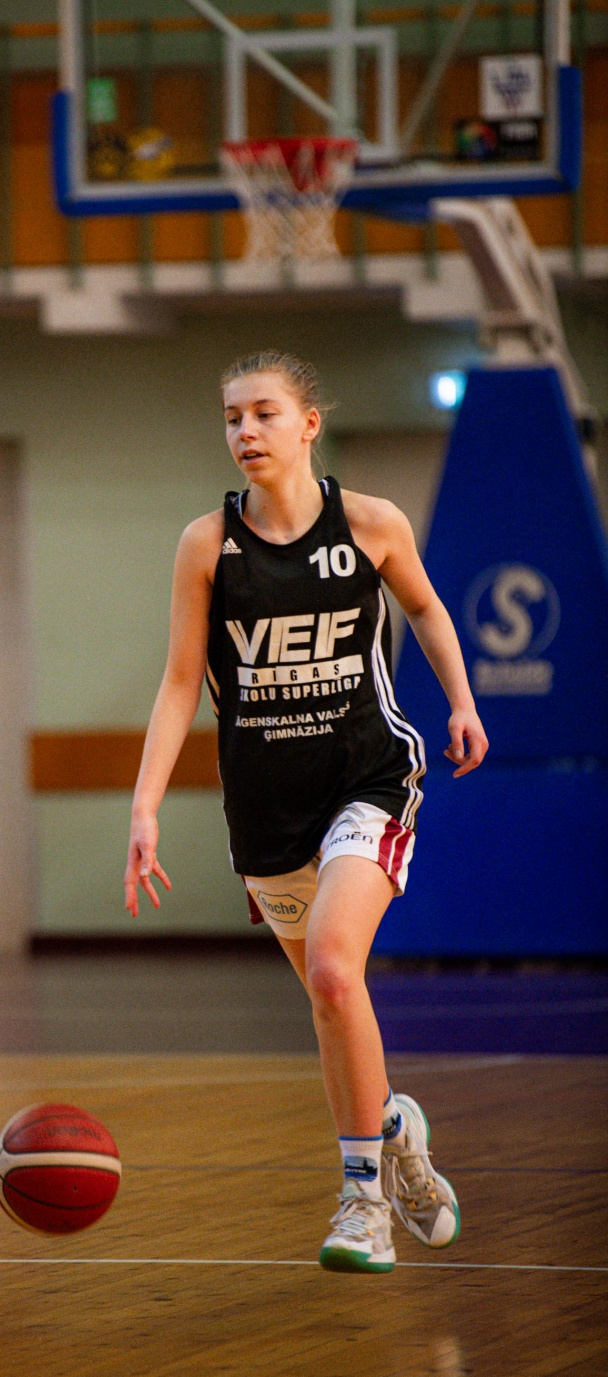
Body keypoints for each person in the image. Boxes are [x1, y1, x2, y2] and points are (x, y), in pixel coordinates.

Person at [124, 349, 488, 1273]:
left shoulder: (369, 524)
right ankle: (395, 1129)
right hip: (265, 808)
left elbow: (426, 610)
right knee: (332, 1002)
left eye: (264, 413)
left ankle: (362, 1202)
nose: (245, 431)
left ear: (308, 424)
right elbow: (180, 682)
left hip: (368, 778)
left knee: (332, 967)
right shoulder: (207, 545)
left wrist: (460, 700)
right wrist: (145, 807)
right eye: (232, 418)